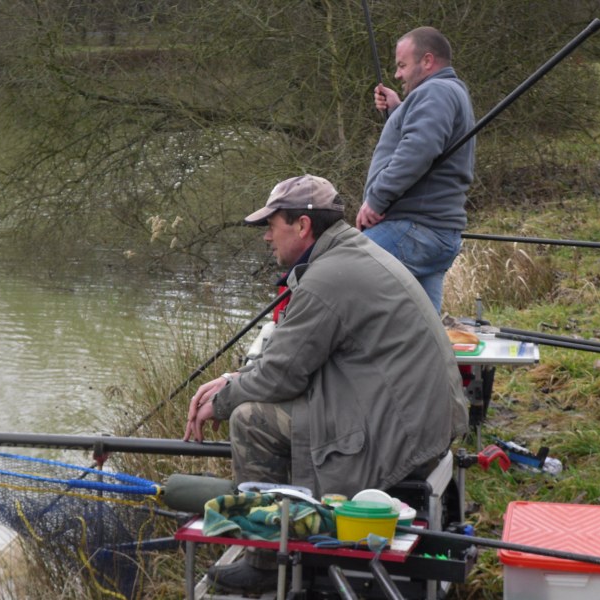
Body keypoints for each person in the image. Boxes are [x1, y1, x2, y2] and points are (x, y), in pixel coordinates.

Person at [184, 174, 468, 593]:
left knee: (249, 420)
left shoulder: (327, 279)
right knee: (256, 401)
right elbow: (290, 355)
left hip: (400, 437)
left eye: (271, 225)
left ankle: (266, 561)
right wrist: (233, 377)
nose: (267, 237)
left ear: (302, 226)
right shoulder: (350, 254)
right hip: (417, 421)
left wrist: (223, 401)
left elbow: (282, 374)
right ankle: (289, 530)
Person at [357, 26, 476, 314]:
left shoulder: (435, 92)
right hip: (436, 232)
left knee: (336, 273)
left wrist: (376, 200)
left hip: (414, 229)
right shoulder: (444, 93)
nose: (397, 75)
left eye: (402, 65)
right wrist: (399, 110)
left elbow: (418, 150)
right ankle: (427, 360)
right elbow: (425, 139)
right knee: (424, 330)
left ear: (427, 61)